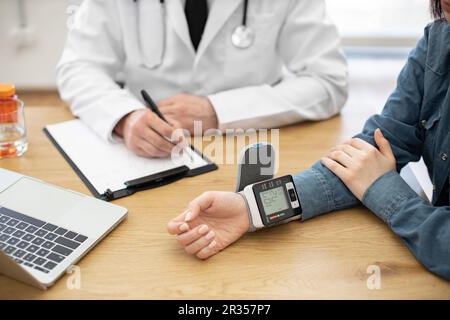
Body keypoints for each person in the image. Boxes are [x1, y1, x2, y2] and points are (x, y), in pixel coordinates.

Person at [167, 0, 450, 281]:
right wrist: (251, 208)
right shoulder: (438, 38)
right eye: (446, 9)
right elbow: (371, 152)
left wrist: (384, 191)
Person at [56, 0, 348, 158]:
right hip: (147, 155)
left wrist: (219, 111)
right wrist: (125, 117)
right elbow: (78, 66)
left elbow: (328, 81)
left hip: (251, 145)